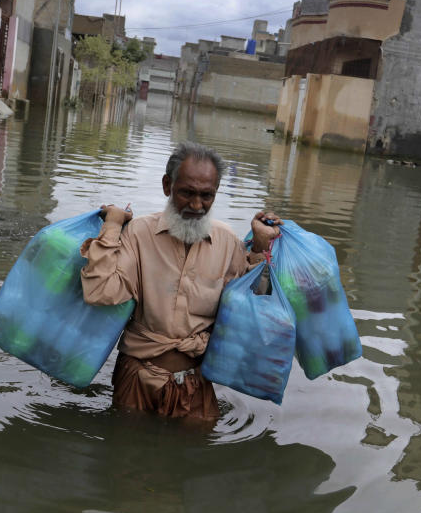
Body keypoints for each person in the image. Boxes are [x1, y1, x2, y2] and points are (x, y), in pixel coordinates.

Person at [80, 141, 282, 422]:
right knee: (125, 458)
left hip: (196, 384)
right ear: (167, 186)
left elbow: (255, 312)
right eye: (187, 193)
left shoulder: (228, 243)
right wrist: (112, 226)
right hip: (136, 378)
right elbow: (100, 292)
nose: (197, 205)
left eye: (207, 196)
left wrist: (259, 248)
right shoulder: (138, 234)